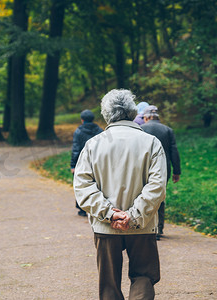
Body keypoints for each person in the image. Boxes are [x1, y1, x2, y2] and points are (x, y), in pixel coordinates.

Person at [73, 89, 167, 300]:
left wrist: (110, 214)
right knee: (143, 276)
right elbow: (157, 186)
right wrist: (133, 215)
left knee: (109, 285)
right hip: (142, 226)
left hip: (105, 227)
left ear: (106, 114)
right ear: (133, 112)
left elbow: (83, 186)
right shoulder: (151, 143)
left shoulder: (92, 145)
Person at [141, 105, 181, 240]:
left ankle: (146, 226)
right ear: (158, 117)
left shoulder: (141, 129)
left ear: (145, 117)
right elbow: (173, 151)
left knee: (144, 195)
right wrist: (177, 171)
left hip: (144, 168)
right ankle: (159, 228)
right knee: (160, 196)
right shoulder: (168, 130)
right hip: (163, 169)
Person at [70, 109, 103, 217]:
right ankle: (95, 206)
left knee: (82, 183)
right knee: (96, 184)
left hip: (82, 162)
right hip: (97, 161)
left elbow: (76, 148)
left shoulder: (78, 131)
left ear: (82, 119)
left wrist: (73, 165)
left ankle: (82, 208)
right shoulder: (100, 131)